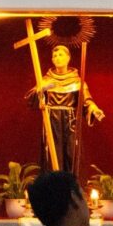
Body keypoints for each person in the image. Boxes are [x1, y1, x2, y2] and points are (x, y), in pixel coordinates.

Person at [26, 44, 104, 173]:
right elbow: (31, 98)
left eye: (61, 54)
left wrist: (94, 109)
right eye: (54, 56)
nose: (57, 58)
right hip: (52, 121)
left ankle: (71, 188)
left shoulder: (78, 81)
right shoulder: (46, 80)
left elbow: (86, 100)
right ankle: (53, 188)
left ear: (68, 58)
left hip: (70, 122)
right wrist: (42, 89)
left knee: (71, 153)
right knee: (53, 154)